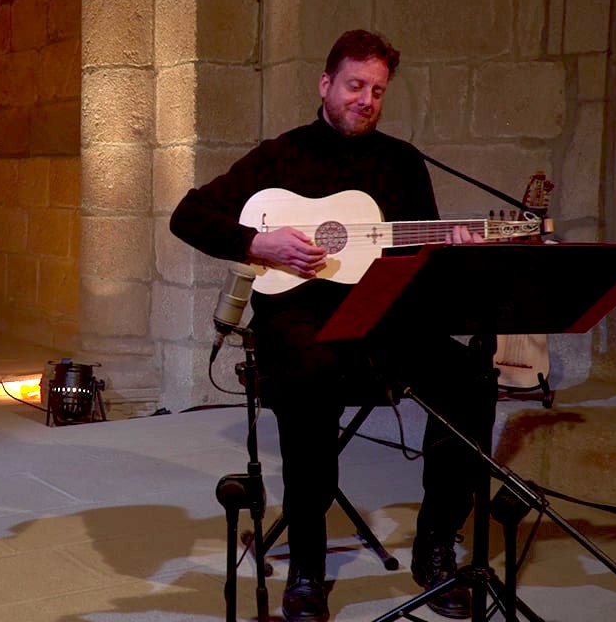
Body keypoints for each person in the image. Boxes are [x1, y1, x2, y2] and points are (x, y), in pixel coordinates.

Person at [170, 30, 494, 621]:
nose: (366, 99)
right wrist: (257, 241)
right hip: (297, 321)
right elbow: (187, 215)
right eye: (354, 85)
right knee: (311, 374)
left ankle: (436, 545)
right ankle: (308, 565)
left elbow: (421, 261)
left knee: (469, 377)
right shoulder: (280, 156)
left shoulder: (402, 162)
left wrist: (456, 249)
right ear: (326, 85)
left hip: (383, 322)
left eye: (377, 90)